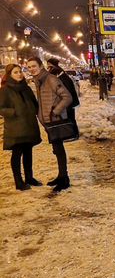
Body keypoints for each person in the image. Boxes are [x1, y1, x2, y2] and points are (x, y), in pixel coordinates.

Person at [26, 57, 73, 192]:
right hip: (48, 121)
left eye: (34, 66)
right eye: (29, 67)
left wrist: (56, 111)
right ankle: (61, 175)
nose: (31, 69)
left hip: (55, 120)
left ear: (41, 66)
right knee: (57, 149)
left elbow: (67, 97)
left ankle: (64, 179)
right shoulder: (39, 80)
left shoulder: (50, 79)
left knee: (59, 148)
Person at [0, 64, 42, 190]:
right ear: (9, 75)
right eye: (15, 72)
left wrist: (33, 110)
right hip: (15, 128)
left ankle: (29, 178)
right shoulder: (5, 90)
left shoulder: (26, 88)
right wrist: (13, 112)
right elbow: (1, 108)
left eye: (20, 72)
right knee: (17, 154)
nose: (19, 74)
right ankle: (19, 182)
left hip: (29, 125)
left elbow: (34, 103)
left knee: (28, 153)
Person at [47, 59, 80, 139]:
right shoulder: (61, 74)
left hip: (69, 102)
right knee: (68, 118)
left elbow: (67, 91)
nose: (48, 68)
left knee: (70, 118)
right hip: (67, 102)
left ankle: (74, 135)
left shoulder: (62, 76)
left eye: (49, 66)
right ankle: (71, 134)